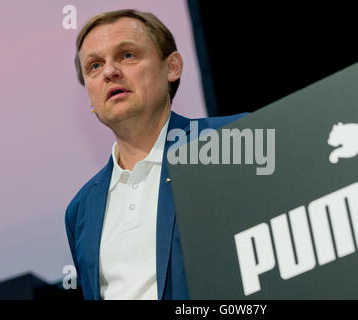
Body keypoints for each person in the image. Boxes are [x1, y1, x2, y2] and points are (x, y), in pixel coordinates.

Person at [65, 9, 246, 300]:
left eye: (127, 55)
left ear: (172, 67)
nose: (110, 72)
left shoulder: (232, 142)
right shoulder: (80, 210)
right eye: (95, 66)